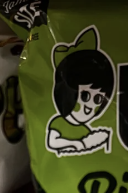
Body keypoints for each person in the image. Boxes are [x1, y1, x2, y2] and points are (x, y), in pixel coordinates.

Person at [47, 27, 114, 156]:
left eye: (98, 99)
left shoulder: (85, 129)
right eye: (85, 95)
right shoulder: (59, 122)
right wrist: (80, 144)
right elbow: (52, 142)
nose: (90, 105)